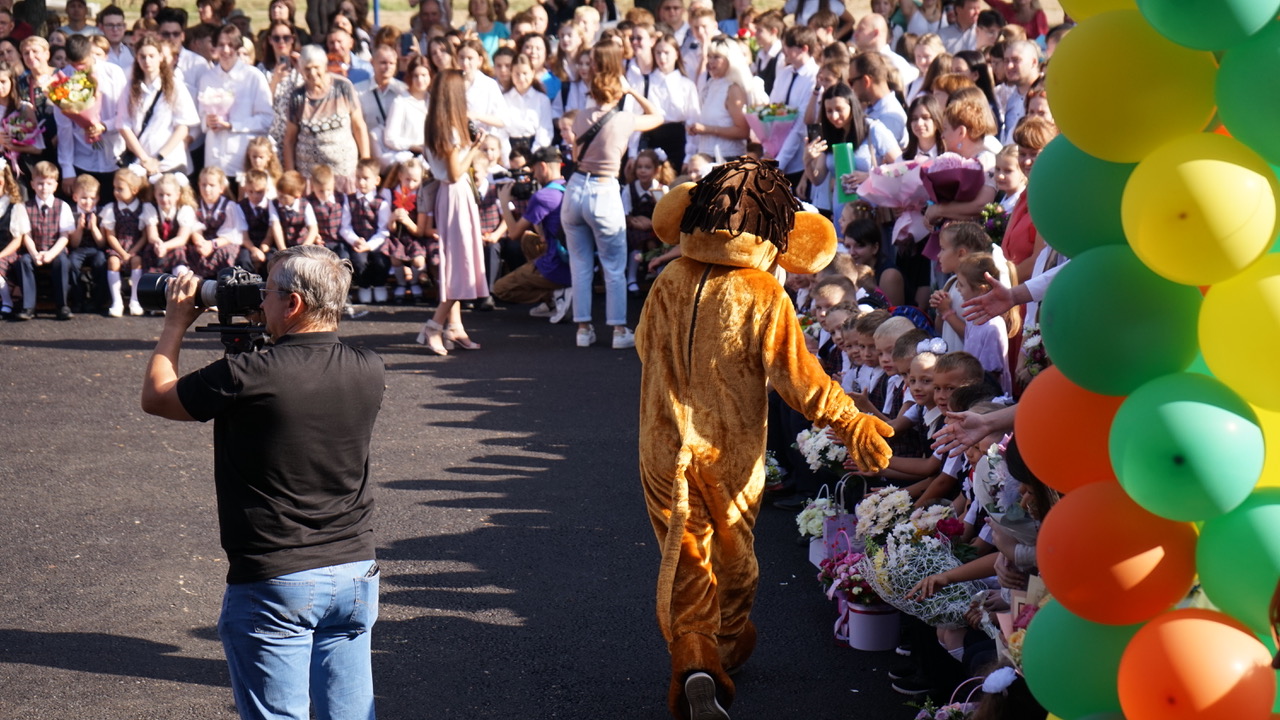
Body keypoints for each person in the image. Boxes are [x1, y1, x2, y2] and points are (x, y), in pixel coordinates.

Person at [140, 244, 384, 720]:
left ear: (293, 304)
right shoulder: (369, 367)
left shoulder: (248, 374)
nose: (259, 297)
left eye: (266, 291)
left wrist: (174, 324)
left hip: (278, 579)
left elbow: (157, 396)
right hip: (354, 571)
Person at [562, 40, 662, 349]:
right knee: (614, 266)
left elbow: (576, 154)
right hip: (604, 191)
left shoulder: (580, 116)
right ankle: (618, 331)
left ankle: (583, 329)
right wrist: (633, 91)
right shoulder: (624, 119)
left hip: (576, 187)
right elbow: (657, 115)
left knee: (579, 264)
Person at [416, 68, 489, 355]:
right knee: (460, 264)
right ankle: (433, 326)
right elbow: (455, 172)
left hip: (451, 197)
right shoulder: (450, 129)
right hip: (455, 195)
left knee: (459, 261)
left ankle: (455, 326)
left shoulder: (433, 124)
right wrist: (474, 148)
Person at [491, 145, 570, 319]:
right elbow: (542, 235)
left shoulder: (543, 196)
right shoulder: (568, 188)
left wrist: (504, 203)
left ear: (542, 166)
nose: (533, 176)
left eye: (534, 170)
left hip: (556, 265)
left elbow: (513, 234)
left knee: (500, 289)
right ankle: (556, 297)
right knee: (529, 239)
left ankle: (555, 295)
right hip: (573, 260)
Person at [283, 44, 369, 193]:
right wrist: (291, 176)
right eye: (307, 69)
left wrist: (366, 163)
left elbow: (358, 126)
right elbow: (289, 139)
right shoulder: (297, 97)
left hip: (344, 171)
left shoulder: (343, 87)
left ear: (325, 66)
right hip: (311, 176)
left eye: (316, 67)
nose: (313, 73)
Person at [118, 36, 199, 180]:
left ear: (160, 57)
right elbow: (124, 125)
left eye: (151, 56)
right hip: (140, 164)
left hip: (170, 162)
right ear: (137, 58)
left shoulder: (175, 86)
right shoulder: (130, 88)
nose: (147, 61)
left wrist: (158, 158)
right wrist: (144, 159)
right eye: (142, 56)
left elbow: (183, 127)